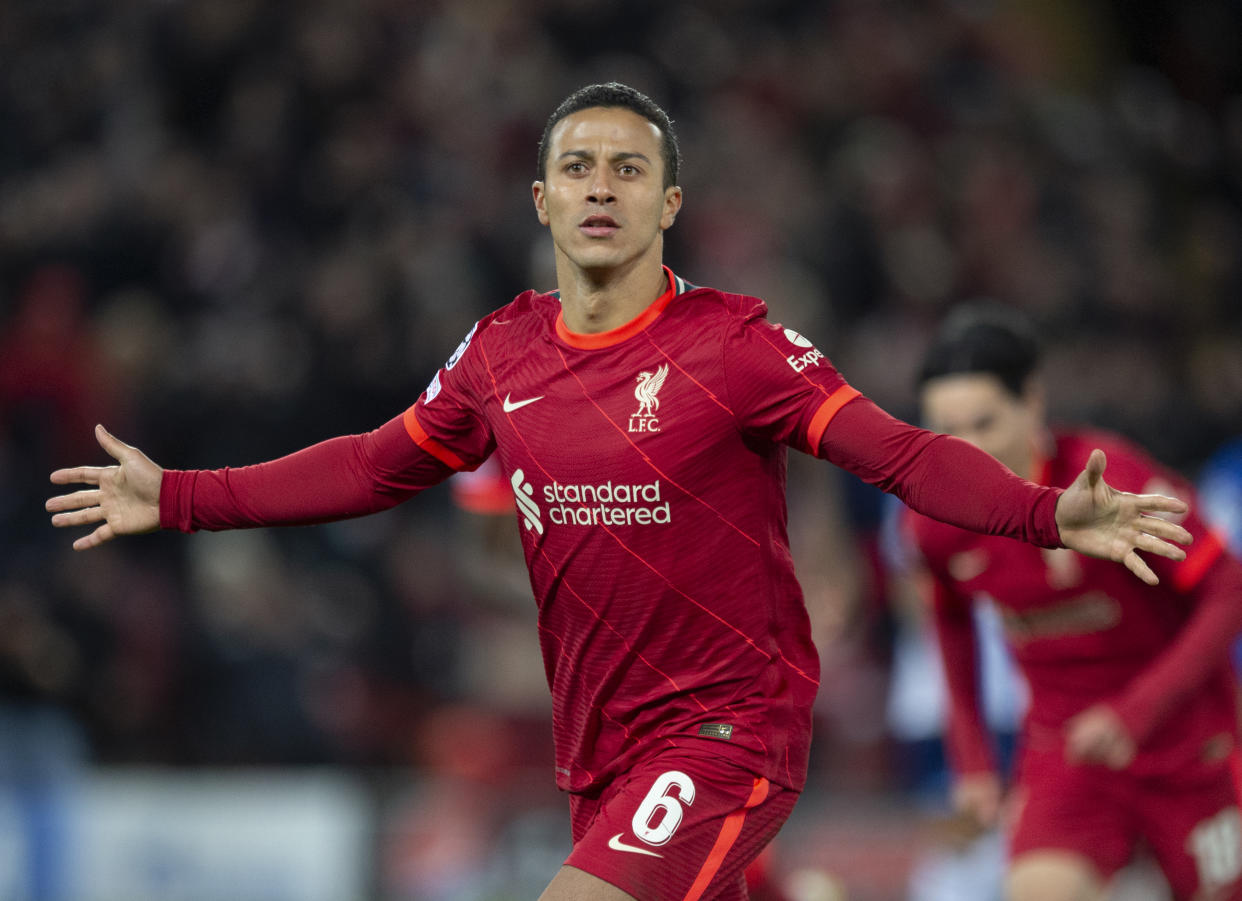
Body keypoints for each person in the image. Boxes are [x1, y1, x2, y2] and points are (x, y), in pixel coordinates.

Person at [46, 83, 1192, 901]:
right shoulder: (499, 354)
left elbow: (898, 453)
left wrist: (1046, 512)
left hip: (729, 729)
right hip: (601, 748)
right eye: (578, 169)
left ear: (669, 205)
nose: (603, 188)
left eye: (629, 169)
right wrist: (184, 495)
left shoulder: (736, 346)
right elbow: (371, 463)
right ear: (541, 201)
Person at [902, 304, 1242, 901]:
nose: (966, 449)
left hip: (1188, 743)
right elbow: (949, 626)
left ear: (1031, 401)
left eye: (984, 423)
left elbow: (1229, 588)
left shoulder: (1110, 479)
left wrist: (1137, 711)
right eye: (944, 431)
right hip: (1068, 753)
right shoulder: (936, 521)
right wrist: (975, 763)